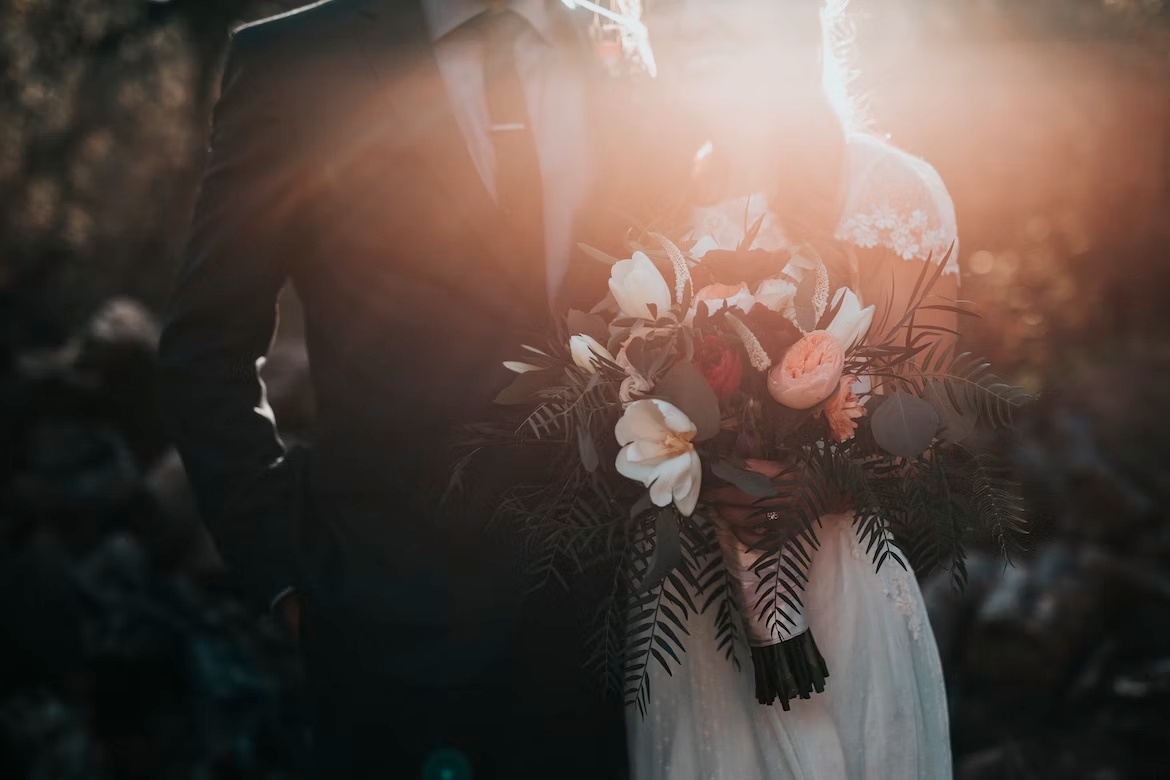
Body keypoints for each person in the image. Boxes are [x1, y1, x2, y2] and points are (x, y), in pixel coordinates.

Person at [157, 1, 629, 777]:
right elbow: (205, 343)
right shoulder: (298, 63)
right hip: (390, 626)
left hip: (612, 632)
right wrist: (284, 571)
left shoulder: (619, 49)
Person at [626, 1, 957, 777]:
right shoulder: (643, 205)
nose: (689, 21)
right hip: (682, 619)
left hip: (835, 595)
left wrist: (807, 483)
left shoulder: (887, 189)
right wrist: (689, 478)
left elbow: (930, 416)